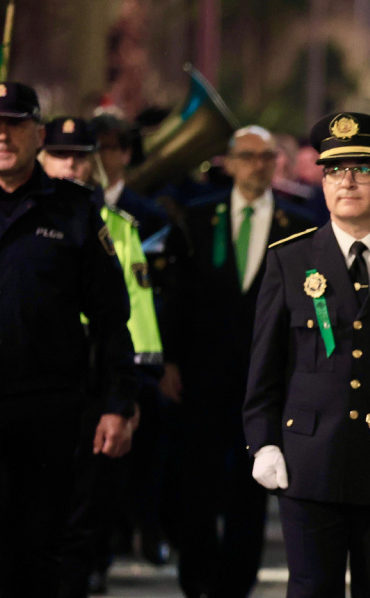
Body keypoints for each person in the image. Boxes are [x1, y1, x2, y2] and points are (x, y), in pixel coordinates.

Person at [243, 112, 370, 598]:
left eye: (363, 168)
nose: (347, 180)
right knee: (311, 589)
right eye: (334, 169)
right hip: (311, 463)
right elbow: (265, 367)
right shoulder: (289, 259)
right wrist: (263, 441)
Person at [162, 125, 314, 598]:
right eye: (247, 156)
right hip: (202, 372)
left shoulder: (299, 223)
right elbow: (175, 297)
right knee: (198, 479)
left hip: (267, 379)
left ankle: (236, 582)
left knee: (253, 482)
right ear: (229, 161)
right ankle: (197, 576)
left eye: (266, 157)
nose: (257, 165)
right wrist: (168, 361)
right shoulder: (197, 216)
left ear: (277, 163)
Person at [0, 83, 137, 598]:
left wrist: (118, 403)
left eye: (15, 124)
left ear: (37, 134)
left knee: (44, 548)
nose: (3, 136)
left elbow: (110, 319)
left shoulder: (74, 211)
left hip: (48, 411)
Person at [38, 116, 164, 596]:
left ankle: (84, 568)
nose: (71, 165)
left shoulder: (113, 226)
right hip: (34, 372)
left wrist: (127, 391)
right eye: (60, 154)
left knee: (85, 499)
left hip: (92, 373)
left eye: (80, 156)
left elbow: (130, 310)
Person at [92, 113, 169, 240]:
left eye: (106, 147)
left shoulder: (151, 215)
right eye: (94, 147)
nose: (98, 155)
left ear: (126, 154)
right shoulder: (76, 207)